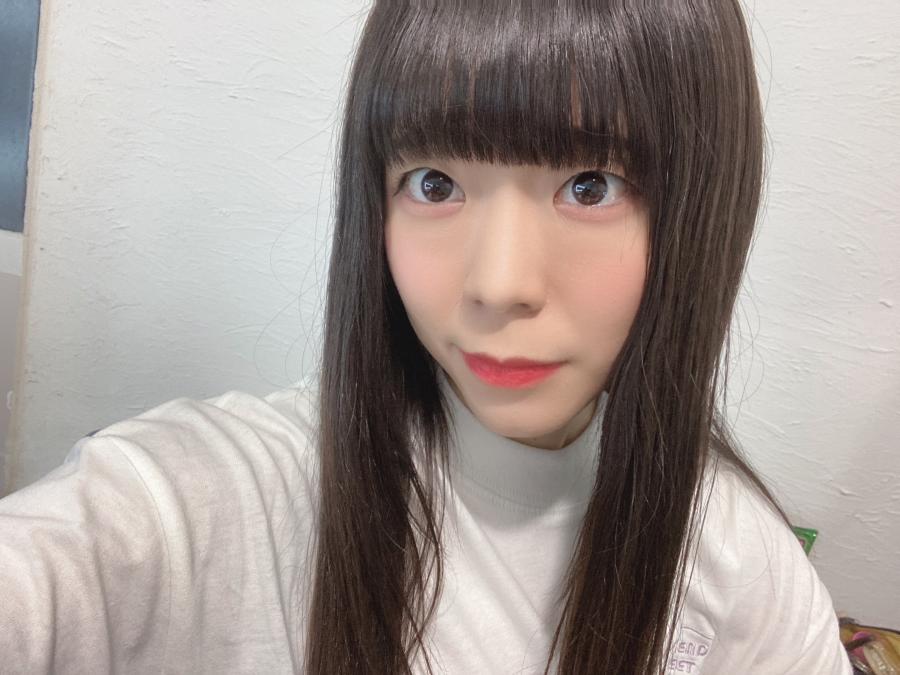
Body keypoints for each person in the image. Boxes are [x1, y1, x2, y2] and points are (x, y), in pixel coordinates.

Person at [0, 1, 852, 673]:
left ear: (703, 207)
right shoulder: (218, 497)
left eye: (591, 185)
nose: (499, 284)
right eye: (435, 183)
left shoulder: (747, 578)